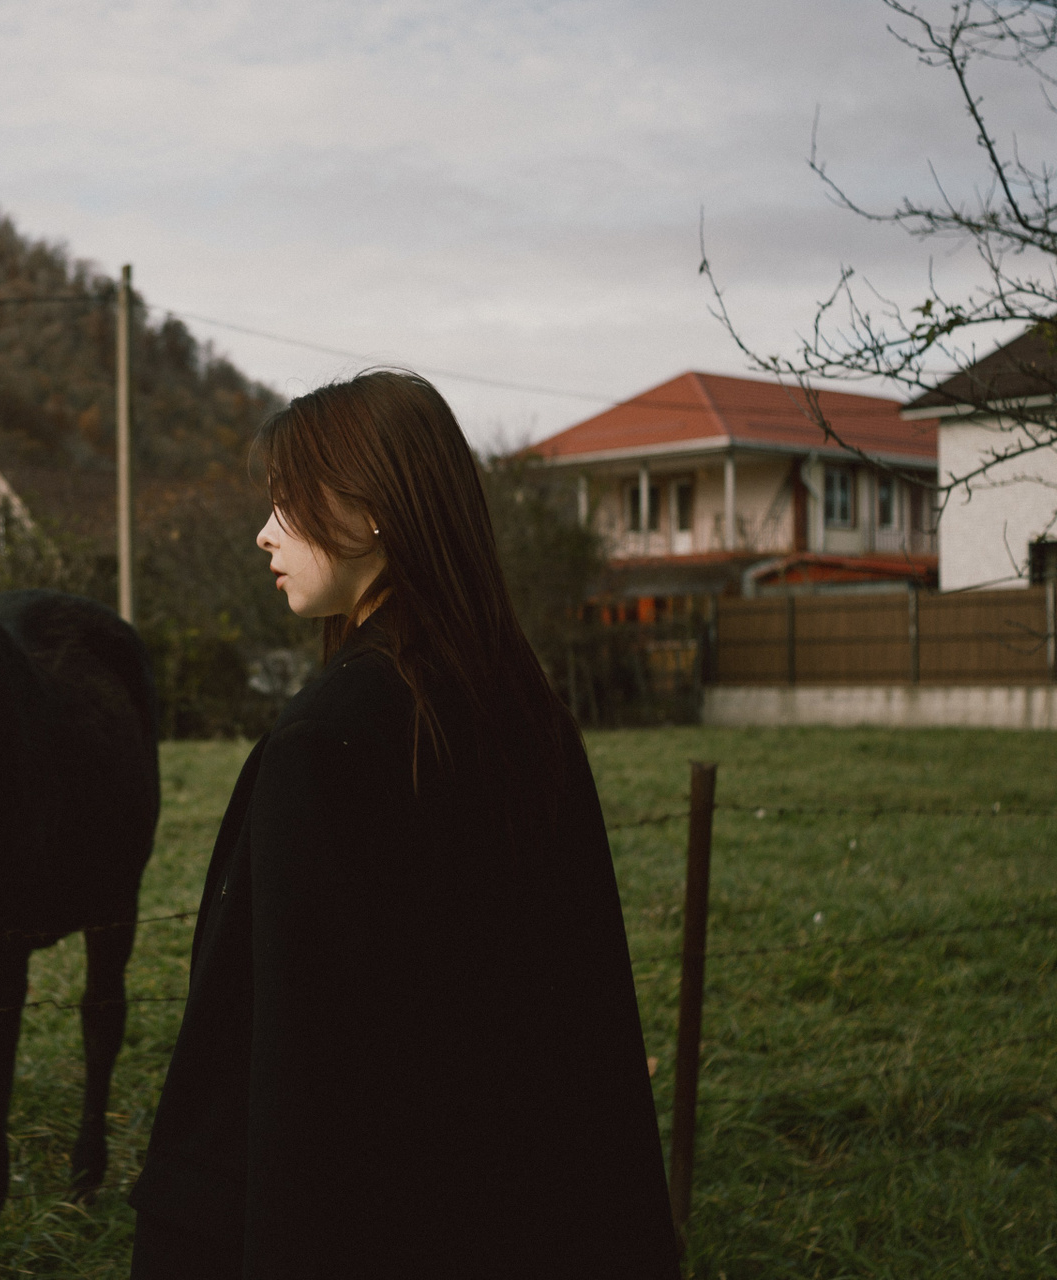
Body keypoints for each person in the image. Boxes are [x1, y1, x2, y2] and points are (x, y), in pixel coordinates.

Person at [127, 370, 680, 1278]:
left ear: (373, 509)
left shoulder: (327, 743)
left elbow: (292, 1081)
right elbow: (580, 1043)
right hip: (515, 1223)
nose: (264, 530)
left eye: (288, 502)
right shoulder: (522, 708)